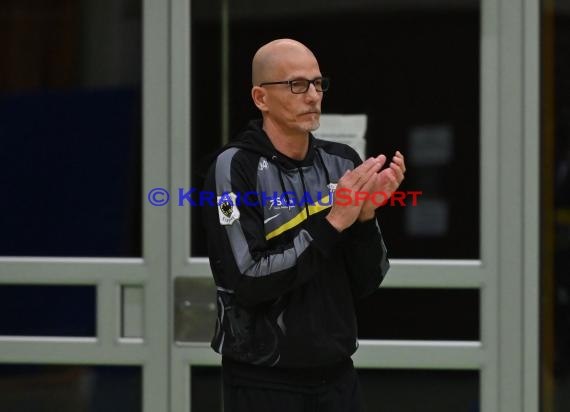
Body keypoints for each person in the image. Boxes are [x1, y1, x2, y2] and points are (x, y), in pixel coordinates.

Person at [203, 38, 406, 412]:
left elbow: (367, 280)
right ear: (261, 98)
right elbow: (246, 278)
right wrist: (332, 222)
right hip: (262, 378)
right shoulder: (232, 169)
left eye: (318, 83)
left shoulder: (342, 162)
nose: (313, 95)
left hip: (337, 375)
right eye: (297, 84)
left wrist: (364, 219)